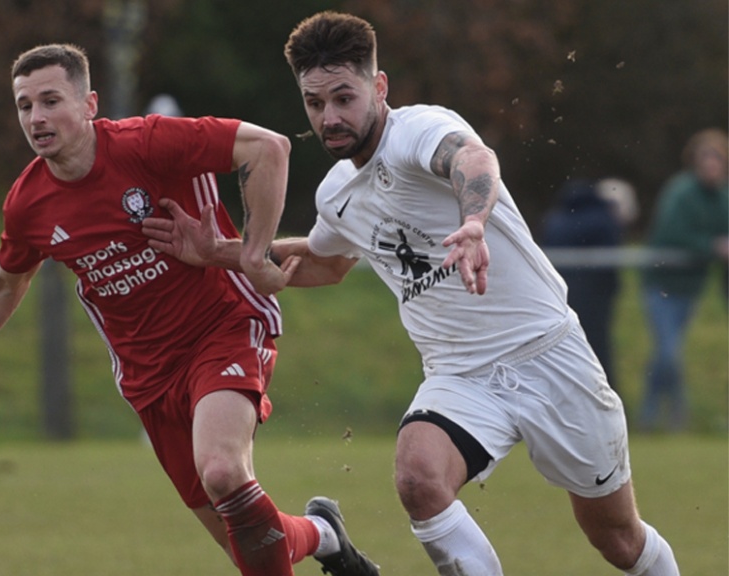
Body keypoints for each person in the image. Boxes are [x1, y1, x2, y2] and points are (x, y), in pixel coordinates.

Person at [143, 11, 679, 575]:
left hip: (547, 354)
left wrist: (473, 223)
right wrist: (219, 252)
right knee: (418, 477)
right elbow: (322, 263)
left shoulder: (417, 130)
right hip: (460, 375)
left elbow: (473, 160)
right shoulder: (337, 195)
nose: (330, 117)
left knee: (617, 540)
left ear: (379, 87)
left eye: (344, 98)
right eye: (315, 103)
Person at [0, 44, 379, 576]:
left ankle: (320, 534)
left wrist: (252, 252)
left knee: (223, 470)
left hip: (224, 326)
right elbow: (5, 284)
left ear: (90, 103)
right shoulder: (29, 202)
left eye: (50, 101)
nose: (36, 118)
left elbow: (269, 148)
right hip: (147, 375)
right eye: (25, 106)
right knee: (246, 542)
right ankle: (323, 535)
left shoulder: (149, 143)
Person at [639, 128, 729, 432]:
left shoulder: (722, 197)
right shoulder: (680, 192)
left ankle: (649, 417)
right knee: (668, 353)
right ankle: (676, 414)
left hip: (691, 289)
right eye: (707, 157)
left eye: (717, 158)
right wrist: (712, 246)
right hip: (662, 285)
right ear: (696, 160)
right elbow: (670, 234)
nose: (712, 165)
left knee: (666, 353)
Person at [541, 179, 622, 390]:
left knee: (562, 349)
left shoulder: (555, 220)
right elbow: (611, 262)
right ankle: (603, 392)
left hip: (559, 297)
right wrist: (612, 291)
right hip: (596, 297)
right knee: (597, 348)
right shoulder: (603, 219)